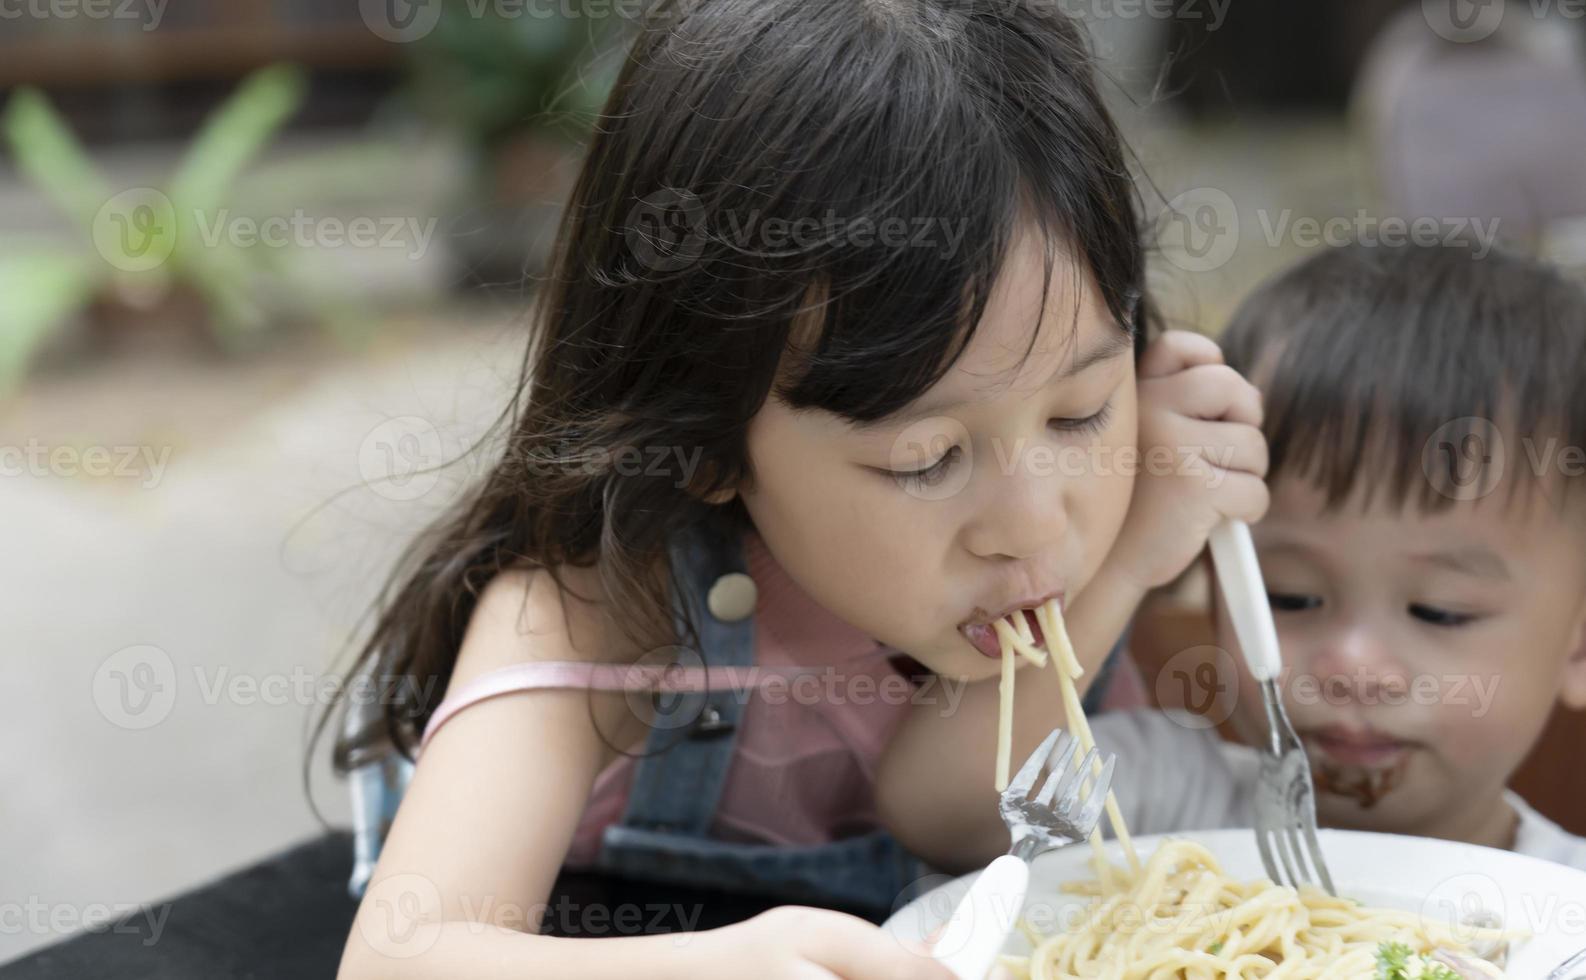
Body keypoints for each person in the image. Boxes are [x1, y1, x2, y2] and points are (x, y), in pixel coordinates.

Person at [326, 2, 1269, 977]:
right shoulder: (602, 604)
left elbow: (957, 814)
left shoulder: (1120, 529)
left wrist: (1128, 564)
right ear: (700, 435)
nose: (1034, 522)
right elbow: (400, 959)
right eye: (924, 458)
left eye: (1077, 413)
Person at [1094, 242, 1586, 871]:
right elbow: (956, 811)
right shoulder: (1160, 800)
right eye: (1290, 597)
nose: (1354, 668)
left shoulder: (1560, 912)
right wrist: (1127, 562)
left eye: (1439, 611)